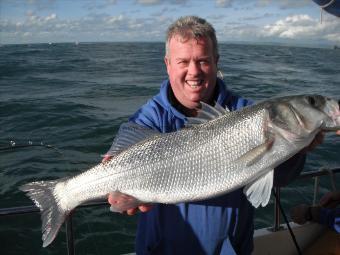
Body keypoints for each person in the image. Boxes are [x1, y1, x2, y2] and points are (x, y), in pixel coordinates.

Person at [103, 16, 340, 255]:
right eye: (183, 61)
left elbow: (279, 178)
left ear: (216, 62)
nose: (193, 71)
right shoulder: (149, 117)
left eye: (203, 61)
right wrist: (119, 183)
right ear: (168, 64)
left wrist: (297, 151)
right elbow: (122, 153)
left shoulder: (246, 111)